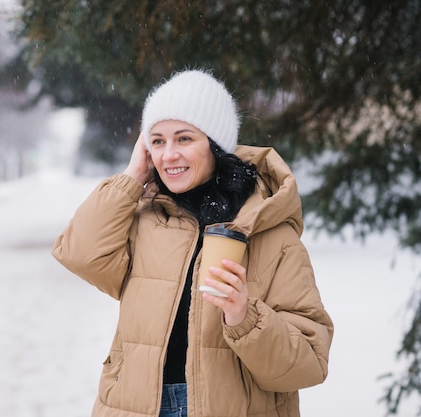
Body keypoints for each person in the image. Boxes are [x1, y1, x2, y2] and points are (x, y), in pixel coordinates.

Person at [52, 69, 334, 417]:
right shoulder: (147, 215)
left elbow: (308, 363)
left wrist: (245, 316)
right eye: (157, 141)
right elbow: (81, 255)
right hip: (135, 407)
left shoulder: (270, 230)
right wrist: (132, 177)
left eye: (184, 139)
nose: (168, 154)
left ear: (215, 145)